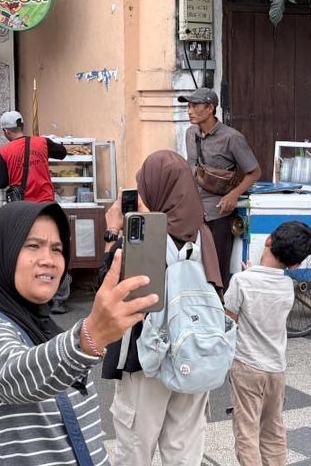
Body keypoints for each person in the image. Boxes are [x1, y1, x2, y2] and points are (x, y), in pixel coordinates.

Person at [0, 200, 158, 465]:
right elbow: (18, 376)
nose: (48, 260)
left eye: (57, 249)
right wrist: (89, 336)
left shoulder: (47, 331)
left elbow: (87, 440)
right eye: (33, 246)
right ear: (3, 254)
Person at [100, 150, 223, 466]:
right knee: (184, 451)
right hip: (194, 355)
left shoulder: (144, 237)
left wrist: (112, 232)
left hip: (147, 360)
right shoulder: (202, 232)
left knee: (134, 451)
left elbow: (108, 292)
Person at [224, 220, 311, 466]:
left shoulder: (241, 281)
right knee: (273, 428)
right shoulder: (287, 286)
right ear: (296, 264)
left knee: (247, 429)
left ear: (268, 241)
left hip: (247, 366)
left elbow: (229, 320)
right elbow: (267, 293)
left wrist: (248, 274)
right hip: (276, 368)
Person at [0, 110, 73, 313]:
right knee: (54, 249)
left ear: (5, 131)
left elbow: (2, 183)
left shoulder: (5, 152)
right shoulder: (42, 143)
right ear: (21, 126)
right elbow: (62, 152)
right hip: (47, 206)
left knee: (26, 250)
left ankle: (27, 294)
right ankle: (59, 299)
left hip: (23, 209)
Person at [181, 88, 261, 287]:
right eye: (188, 106)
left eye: (195, 106)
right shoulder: (190, 134)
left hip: (219, 212)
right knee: (191, 265)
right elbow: (190, 168)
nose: (189, 111)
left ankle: (220, 308)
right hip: (194, 211)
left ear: (210, 108)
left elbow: (254, 172)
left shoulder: (232, 138)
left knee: (216, 268)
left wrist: (234, 195)